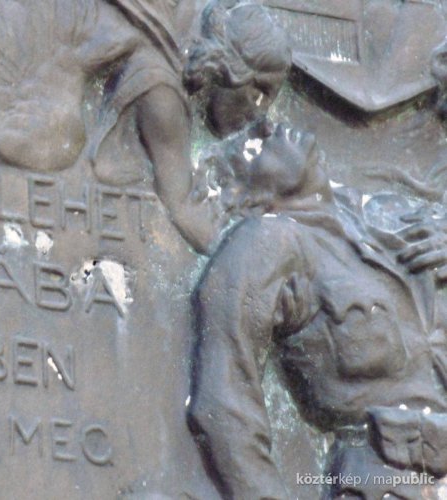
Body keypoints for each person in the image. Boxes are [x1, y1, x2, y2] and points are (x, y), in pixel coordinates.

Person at [188, 124, 447, 499]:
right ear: (248, 199)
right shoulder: (266, 243)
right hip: (390, 482)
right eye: (251, 147)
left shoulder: (380, 218)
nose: (268, 125)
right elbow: (223, 401)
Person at [90, 0, 291, 254]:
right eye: (259, 92)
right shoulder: (163, 98)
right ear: (234, 68)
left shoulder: (174, 74)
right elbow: (191, 221)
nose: (259, 114)